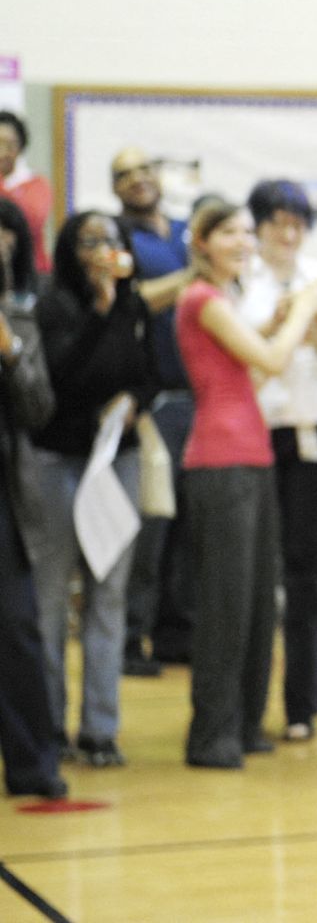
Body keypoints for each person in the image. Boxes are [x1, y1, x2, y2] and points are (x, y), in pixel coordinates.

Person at [176, 199, 317, 768]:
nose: (242, 242)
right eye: (229, 233)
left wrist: (282, 320)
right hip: (219, 461)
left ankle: (244, 722)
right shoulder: (202, 298)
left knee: (261, 600)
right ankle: (211, 733)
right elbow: (270, 356)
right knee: (226, 603)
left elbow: (253, 364)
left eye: (246, 232)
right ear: (201, 241)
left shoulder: (228, 302)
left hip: (252, 456)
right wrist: (300, 313)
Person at [18, 210, 152, 769]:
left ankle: (101, 728)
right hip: (57, 459)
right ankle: (48, 728)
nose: (102, 250)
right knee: (50, 599)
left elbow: (150, 371)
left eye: (111, 240)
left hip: (115, 461)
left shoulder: (135, 302)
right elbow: (59, 378)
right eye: (90, 240)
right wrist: (98, 311)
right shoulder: (53, 305)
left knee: (109, 594)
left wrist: (133, 403)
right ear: (70, 249)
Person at [237, 181, 317, 743]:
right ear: (257, 225)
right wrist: (278, 326)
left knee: (307, 571)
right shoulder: (240, 281)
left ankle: (303, 706)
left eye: (297, 224)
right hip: (257, 434)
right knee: (258, 572)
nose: (288, 234)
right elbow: (243, 367)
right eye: (277, 222)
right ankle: (248, 706)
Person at [116, 147, 196, 676]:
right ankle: (131, 636)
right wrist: (193, 277)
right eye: (125, 174)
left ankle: (176, 631)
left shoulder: (188, 230)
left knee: (190, 525)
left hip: (203, 397)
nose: (138, 179)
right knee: (150, 525)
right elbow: (133, 301)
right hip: (155, 398)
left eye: (144, 169)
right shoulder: (118, 240)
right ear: (116, 187)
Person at [0, 216, 62, 799]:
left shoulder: (19, 317)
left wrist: (10, 350)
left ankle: (32, 764)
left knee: (17, 626)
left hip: (6, 497)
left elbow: (38, 409)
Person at [0, 113, 51, 271]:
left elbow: (30, 221)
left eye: (9, 145)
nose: (2, 152)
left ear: (21, 147)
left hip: (31, 270)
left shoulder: (36, 184)